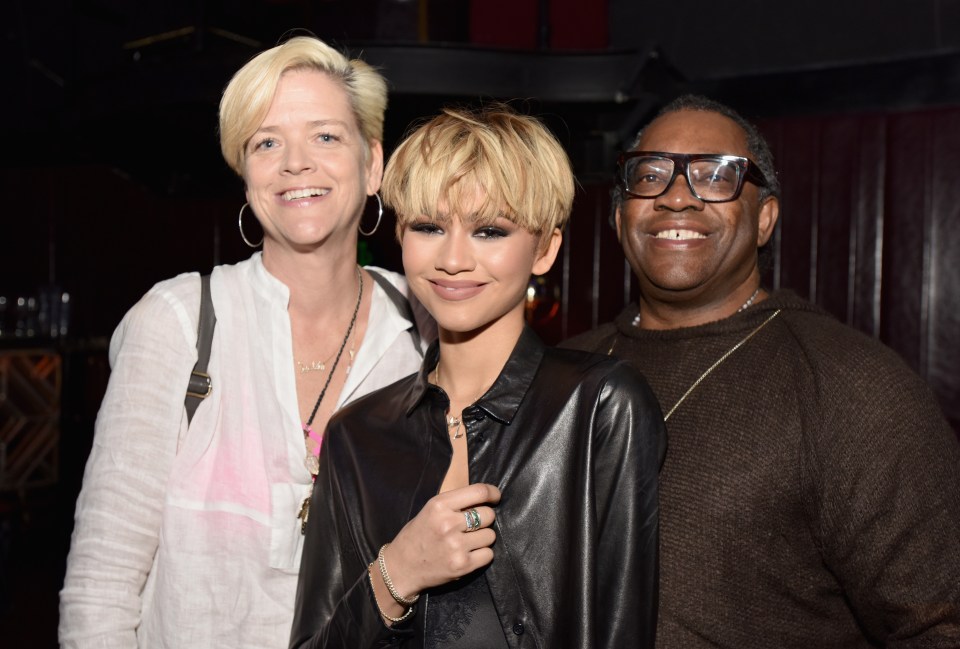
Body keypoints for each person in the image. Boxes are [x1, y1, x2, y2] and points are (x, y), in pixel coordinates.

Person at [59, 36, 433, 649]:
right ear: (246, 174)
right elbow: (100, 589)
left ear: (373, 165)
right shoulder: (180, 321)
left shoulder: (423, 325)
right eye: (266, 142)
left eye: (325, 136)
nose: (295, 163)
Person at [563, 94, 960, 648]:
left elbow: (939, 627)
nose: (677, 197)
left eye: (715, 176)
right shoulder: (561, 372)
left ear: (765, 218)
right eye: (649, 174)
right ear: (618, 213)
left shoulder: (855, 387)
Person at [289, 104, 664, 649]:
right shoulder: (357, 434)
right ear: (401, 236)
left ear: (545, 249)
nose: (454, 258)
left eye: (489, 230)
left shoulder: (599, 407)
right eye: (429, 227)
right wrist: (395, 574)